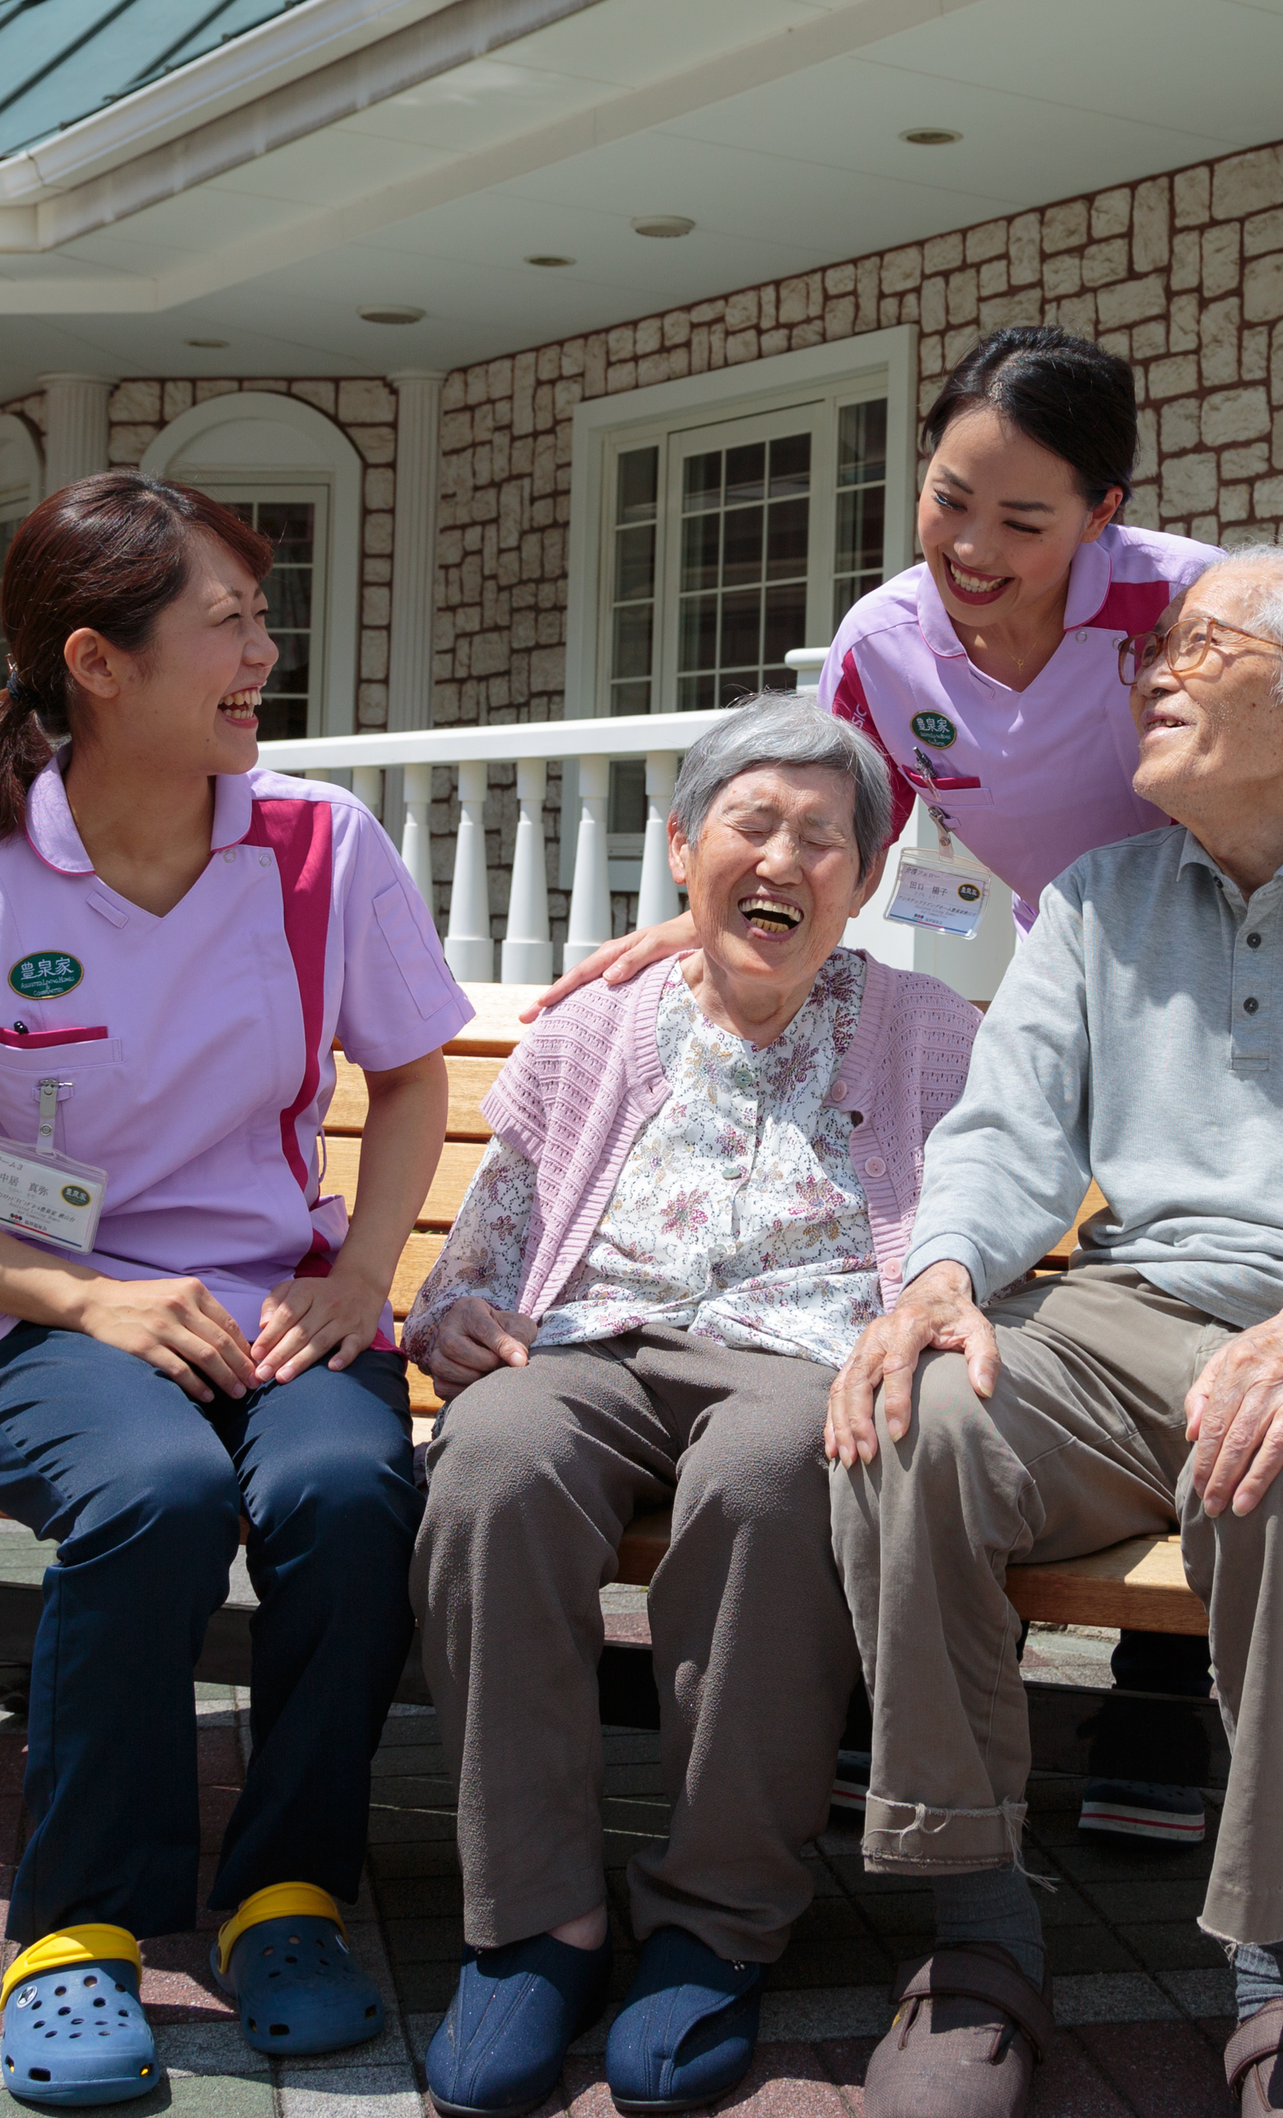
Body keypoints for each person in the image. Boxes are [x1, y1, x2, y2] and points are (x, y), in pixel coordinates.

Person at [543, 323, 1283, 1846]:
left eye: (1026, 518)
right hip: (1109, 950)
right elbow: (844, 825)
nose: (976, 547)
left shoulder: (1183, 608)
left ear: (1103, 515)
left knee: (1270, 1442)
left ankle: (1198, 1797)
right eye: (950, 500)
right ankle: (962, 1887)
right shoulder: (898, 656)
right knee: (948, 1387)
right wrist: (715, 908)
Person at [822, 521, 1283, 2118]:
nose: (1154, 671)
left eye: (1203, 647)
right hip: (1130, 1319)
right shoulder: (1097, 902)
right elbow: (1006, 1138)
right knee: (907, 1417)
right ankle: (977, 1933)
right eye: (1161, 647)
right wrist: (940, 1274)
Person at [0, 473, 475, 2113]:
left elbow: (406, 1080)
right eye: (227, 622)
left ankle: (290, 1891)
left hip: (277, 1296)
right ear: (97, 664)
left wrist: (362, 1280)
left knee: (339, 1489)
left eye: (262, 614)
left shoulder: (319, 847)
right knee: (159, 1495)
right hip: (51, 1318)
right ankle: (77, 1930)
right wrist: (90, 1306)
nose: (265, 650)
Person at [399, 694, 981, 2118]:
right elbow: (489, 1245)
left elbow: (982, 1224)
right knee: (492, 1458)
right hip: (598, 1341)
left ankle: (713, 1923)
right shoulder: (593, 1029)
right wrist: (454, 1312)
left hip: (805, 1353)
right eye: (752, 824)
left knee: (780, 1469)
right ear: (681, 849)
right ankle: (534, 1920)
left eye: (825, 841)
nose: (785, 861)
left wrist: (923, 1323)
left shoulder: (924, 1026)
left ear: (865, 878)